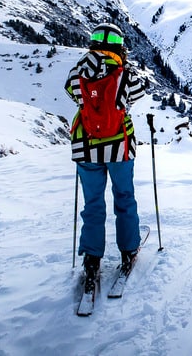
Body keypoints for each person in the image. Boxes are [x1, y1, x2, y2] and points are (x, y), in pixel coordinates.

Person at [65, 23, 146, 290]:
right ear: (119, 45)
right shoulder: (125, 73)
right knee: (124, 198)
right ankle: (128, 250)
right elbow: (138, 94)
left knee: (93, 204)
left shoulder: (77, 71)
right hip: (120, 147)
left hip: (85, 147)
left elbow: (71, 93)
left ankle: (91, 259)